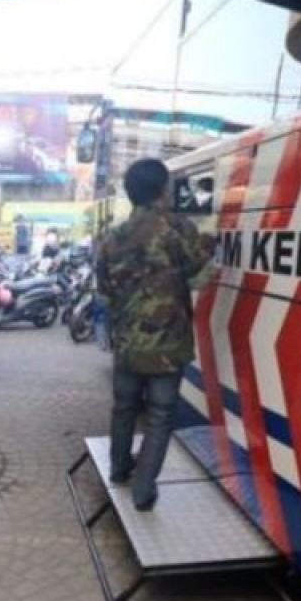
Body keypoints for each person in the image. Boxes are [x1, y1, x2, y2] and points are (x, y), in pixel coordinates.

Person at [96, 158, 216, 511]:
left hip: (127, 344)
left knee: (123, 408)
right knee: (160, 415)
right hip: (167, 344)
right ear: (163, 189)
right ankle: (143, 491)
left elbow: (103, 291)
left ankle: (119, 470)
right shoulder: (179, 229)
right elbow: (199, 278)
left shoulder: (112, 237)